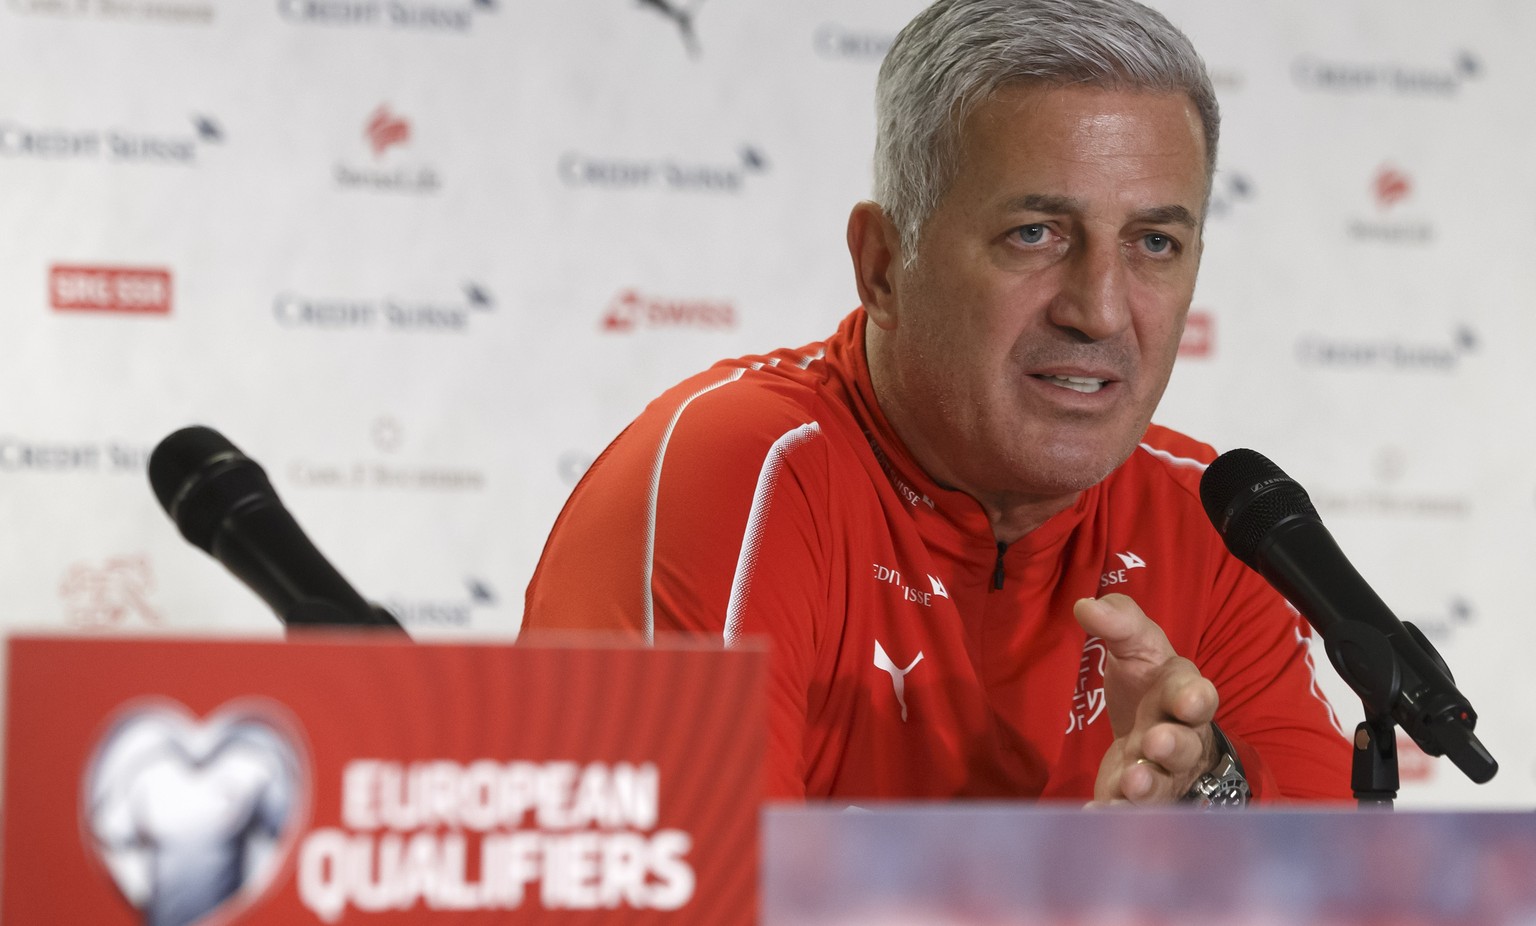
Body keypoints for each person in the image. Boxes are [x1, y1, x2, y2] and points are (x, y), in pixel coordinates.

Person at [523, 0, 1353, 805]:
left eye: (1154, 244)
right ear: (883, 265)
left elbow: (1346, 888)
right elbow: (683, 892)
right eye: (1036, 233)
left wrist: (1205, 800)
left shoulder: (1212, 520)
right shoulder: (741, 479)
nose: (1099, 309)